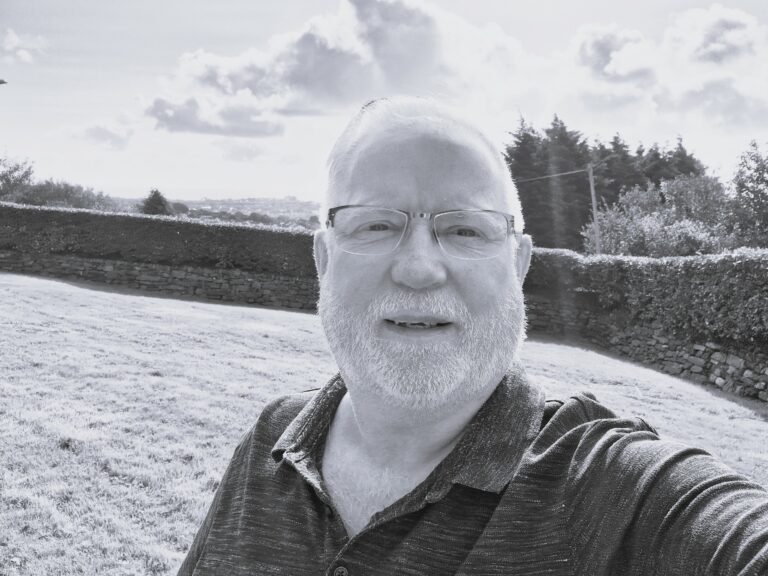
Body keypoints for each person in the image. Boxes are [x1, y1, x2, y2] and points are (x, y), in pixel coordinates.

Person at [177, 97, 768, 575]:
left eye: (465, 230)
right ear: (324, 260)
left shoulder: (611, 487)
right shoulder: (272, 437)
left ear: (518, 265)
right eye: (377, 224)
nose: (418, 268)